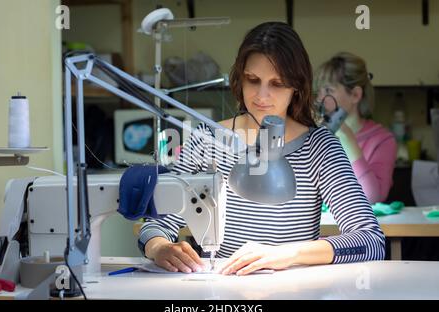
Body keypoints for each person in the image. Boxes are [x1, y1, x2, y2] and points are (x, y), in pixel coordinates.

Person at [138, 22, 385, 275]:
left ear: (296, 87)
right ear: (239, 79)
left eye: (277, 83)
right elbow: (156, 225)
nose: (262, 96)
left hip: (293, 291)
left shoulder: (319, 147)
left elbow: (370, 241)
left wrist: (288, 253)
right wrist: (159, 248)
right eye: (253, 80)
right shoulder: (206, 140)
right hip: (224, 290)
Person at [314, 52, 397, 204]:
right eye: (319, 91)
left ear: (355, 95)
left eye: (328, 91)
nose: (320, 99)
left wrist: (347, 139)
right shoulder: (315, 136)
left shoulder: (383, 141)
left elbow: (372, 198)